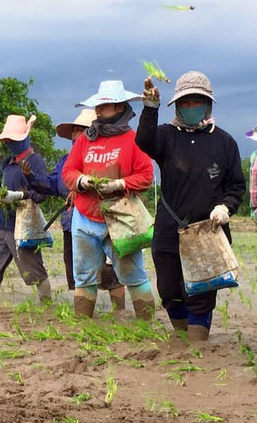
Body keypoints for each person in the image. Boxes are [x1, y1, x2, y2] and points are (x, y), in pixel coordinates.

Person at [136, 72, 245, 340]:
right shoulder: (165, 136)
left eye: (197, 101)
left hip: (208, 231)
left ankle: (197, 342)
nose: (191, 107)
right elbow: (144, 142)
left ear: (207, 105)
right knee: (170, 290)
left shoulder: (225, 142)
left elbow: (235, 186)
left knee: (201, 293)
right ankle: (181, 336)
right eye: (186, 102)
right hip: (169, 228)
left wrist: (225, 208)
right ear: (177, 105)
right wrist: (150, 110)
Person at [62, 80, 156, 319]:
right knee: (83, 276)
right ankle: (84, 325)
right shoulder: (85, 139)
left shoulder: (134, 140)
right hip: (85, 217)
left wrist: (121, 184)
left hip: (120, 218)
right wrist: (81, 180)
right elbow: (68, 171)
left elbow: (146, 176)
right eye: (98, 106)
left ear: (120, 108)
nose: (99, 110)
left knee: (133, 275)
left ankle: (146, 326)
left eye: (105, 106)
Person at [22, 109, 126, 310]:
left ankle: (119, 311)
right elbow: (51, 185)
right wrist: (32, 177)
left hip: (98, 221)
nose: (76, 135)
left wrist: (81, 191)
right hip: (71, 224)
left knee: (106, 270)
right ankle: (87, 318)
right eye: (75, 131)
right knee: (76, 271)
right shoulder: (65, 161)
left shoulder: (102, 157)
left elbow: (108, 185)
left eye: (81, 130)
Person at [0, 115, 53, 304]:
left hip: (24, 228)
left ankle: (48, 308)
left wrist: (20, 196)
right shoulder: (6, 163)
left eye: (11, 140)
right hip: (2, 225)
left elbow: (43, 193)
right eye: (6, 140)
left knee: (34, 271)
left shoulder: (35, 161)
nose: (8, 143)